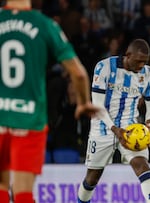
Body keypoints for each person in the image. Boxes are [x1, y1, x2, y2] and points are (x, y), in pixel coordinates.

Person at [0, 1, 99, 202]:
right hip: (30, 119)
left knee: (1, 186)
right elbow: (79, 74)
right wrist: (83, 102)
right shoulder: (45, 24)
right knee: (23, 192)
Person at [77, 39, 150, 203]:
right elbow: (97, 104)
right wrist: (115, 129)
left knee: (141, 165)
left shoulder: (148, 74)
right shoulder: (104, 67)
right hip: (102, 127)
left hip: (131, 129)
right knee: (92, 178)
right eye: (138, 61)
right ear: (128, 55)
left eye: (145, 62)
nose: (141, 66)